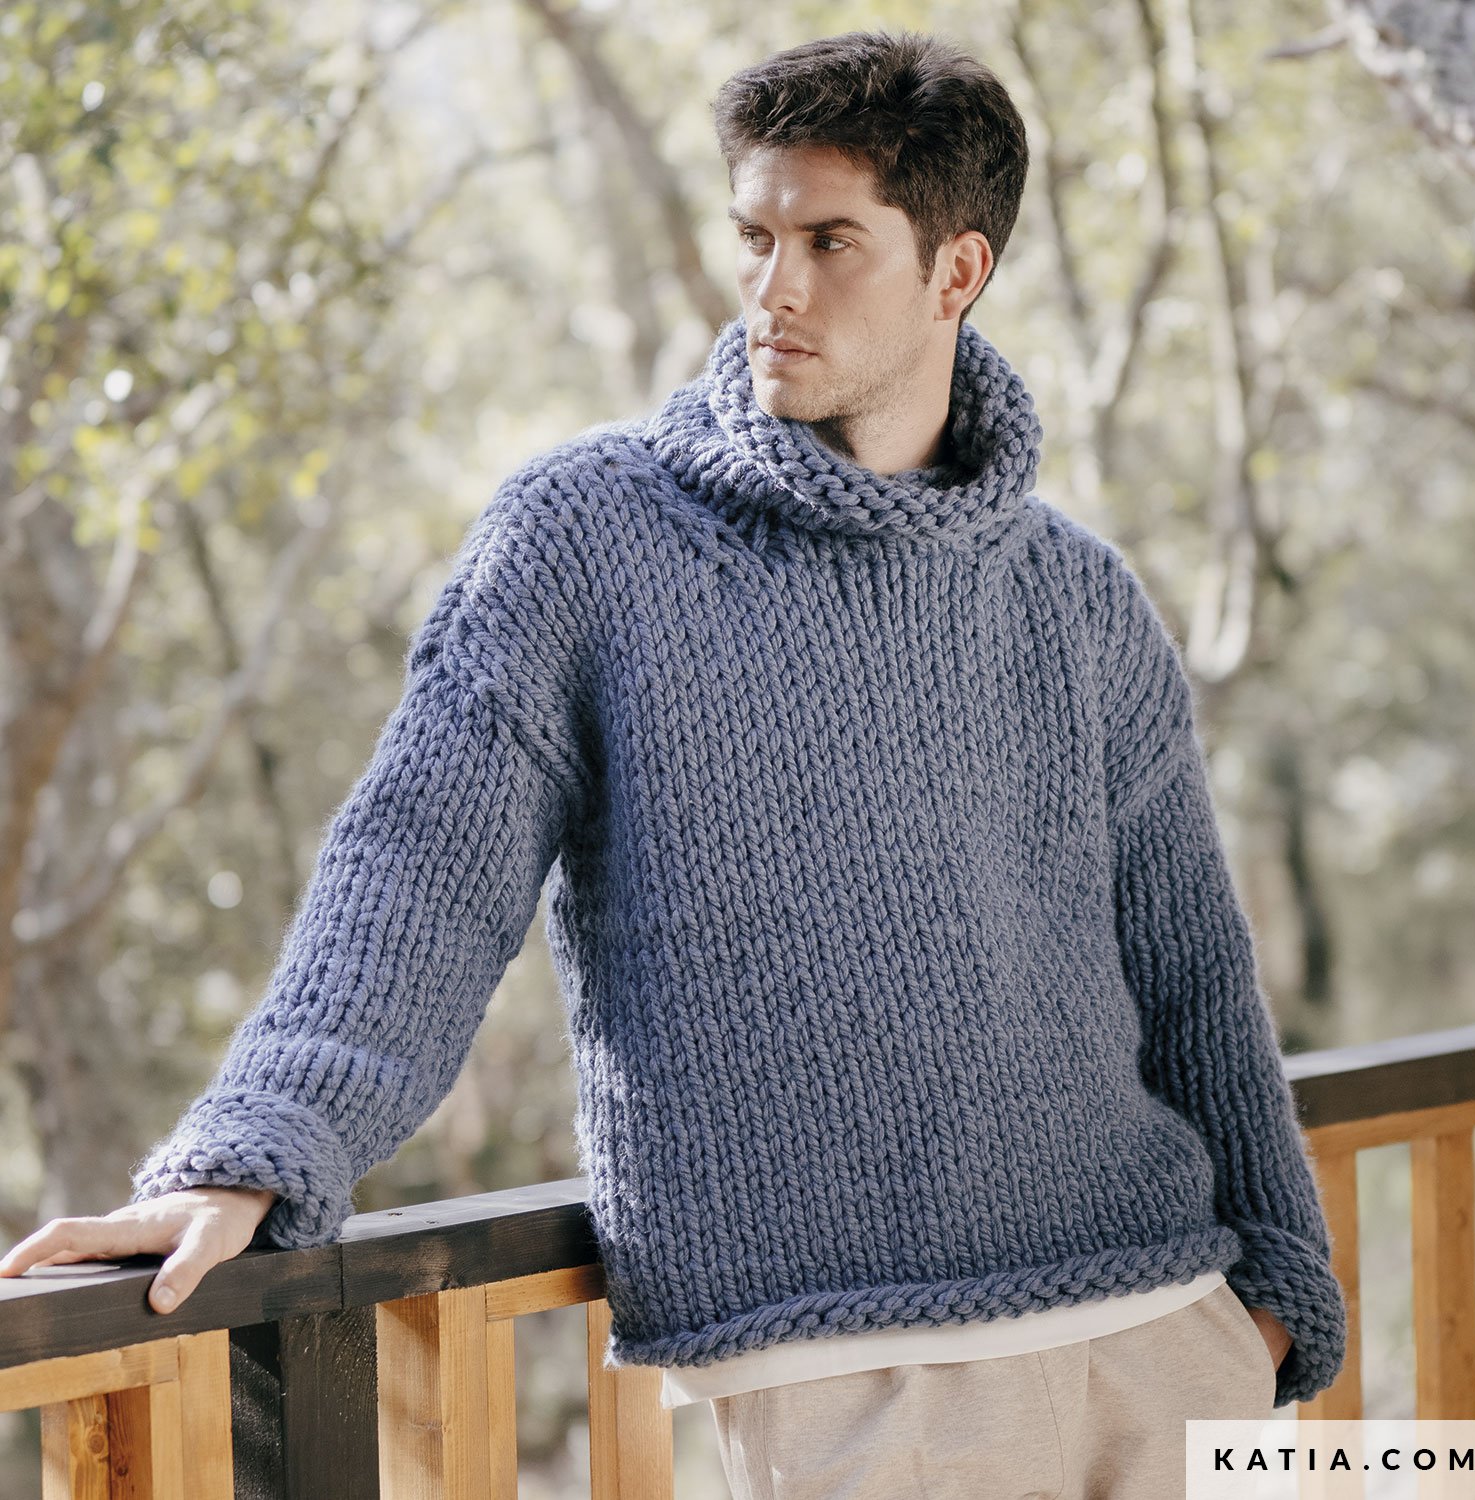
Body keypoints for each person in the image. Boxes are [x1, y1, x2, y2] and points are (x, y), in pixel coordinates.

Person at [0, 26, 1346, 1499]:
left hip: (1169, 1334)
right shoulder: (587, 539)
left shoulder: (1076, 595)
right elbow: (420, 871)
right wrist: (254, 1148)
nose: (775, 287)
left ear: (957, 271)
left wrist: (1276, 1287)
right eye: (755, 236)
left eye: (830, 241)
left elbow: (1194, 967)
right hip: (847, 1374)